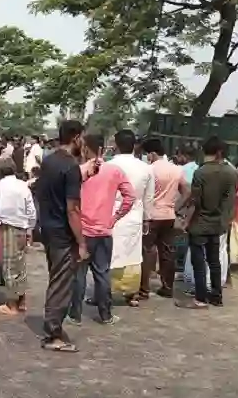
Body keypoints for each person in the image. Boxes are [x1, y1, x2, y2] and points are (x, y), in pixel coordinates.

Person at [67, 135, 135, 326]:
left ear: (85, 149)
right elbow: (130, 197)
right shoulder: (114, 171)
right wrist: (115, 217)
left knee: (79, 274)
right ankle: (105, 314)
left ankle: (75, 314)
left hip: (82, 231)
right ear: (102, 148)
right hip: (104, 231)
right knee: (102, 274)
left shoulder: (79, 172)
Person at [35, 120, 85, 352]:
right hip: (63, 232)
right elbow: (73, 208)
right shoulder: (70, 167)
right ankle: (54, 332)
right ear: (76, 138)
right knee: (62, 283)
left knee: (56, 278)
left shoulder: (49, 161)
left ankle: (54, 326)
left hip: (47, 228)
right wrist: (82, 242)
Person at [180, 136, 238, 308]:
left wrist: (185, 222)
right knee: (214, 261)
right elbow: (231, 200)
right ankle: (216, 296)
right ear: (220, 152)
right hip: (219, 223)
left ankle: (200, 298)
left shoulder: (201, 172)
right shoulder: (232, 173)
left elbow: (195, 202)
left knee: (199, 262)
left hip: (200, 223)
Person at [0, 157, 37, 315]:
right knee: (20, 264)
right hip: (22, 227)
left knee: (9, 266)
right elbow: (31, 210)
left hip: (7, 227)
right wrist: (30, 229)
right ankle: (22, 300)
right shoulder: (23, 186)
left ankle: (12, 304)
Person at [108, 130, 156, 307]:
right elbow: (148, 198)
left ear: (116, 144)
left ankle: (106, 292)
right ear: (134, 145)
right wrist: (147, 219)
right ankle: (132, 294)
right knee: (133, 255)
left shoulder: (109, 165)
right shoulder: (146, 168)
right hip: (135, 216)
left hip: (113, 215)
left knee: (111, 254)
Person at [140, 138, 189, 299]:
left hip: (151, 216)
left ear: (152, 153)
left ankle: (144, 288)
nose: (147, 157)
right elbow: (187, 192)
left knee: (147, 251)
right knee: (168, 252)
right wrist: (176, 207)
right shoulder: (177, 169)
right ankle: (167, 287)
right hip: (169, 215)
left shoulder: (149, 170)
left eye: (148, 154)